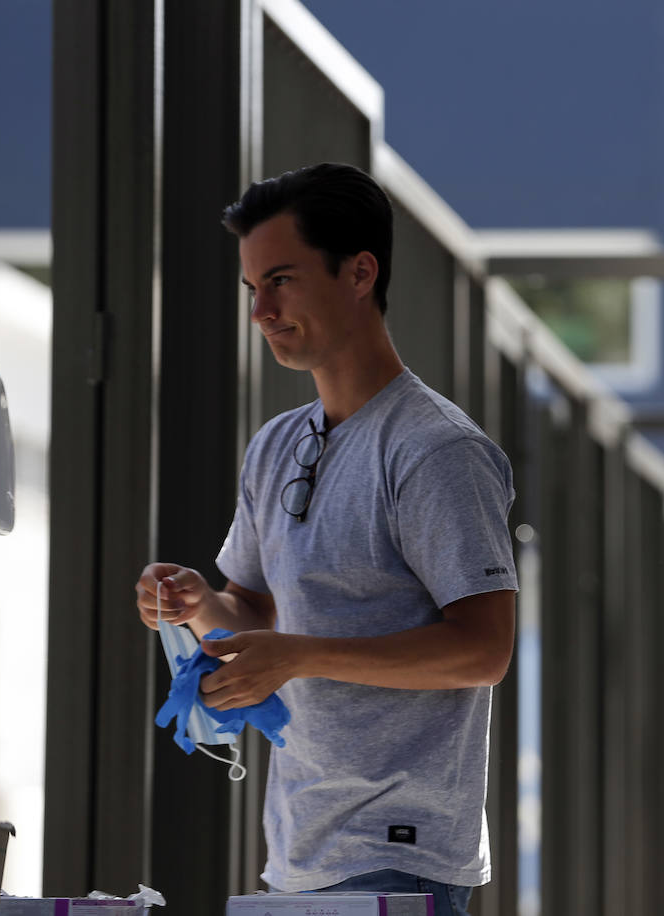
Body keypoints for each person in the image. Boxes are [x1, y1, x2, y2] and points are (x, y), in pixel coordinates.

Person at [134, 163, 517, 915]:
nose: (261, 311)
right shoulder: (276, 445)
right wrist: (195, 600)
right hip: (297, 860)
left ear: (360, 273)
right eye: (252, 290)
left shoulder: (435, 451)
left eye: (282, 280)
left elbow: (484, 651)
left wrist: (301, 654)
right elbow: (253, 614)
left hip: (399, 861)